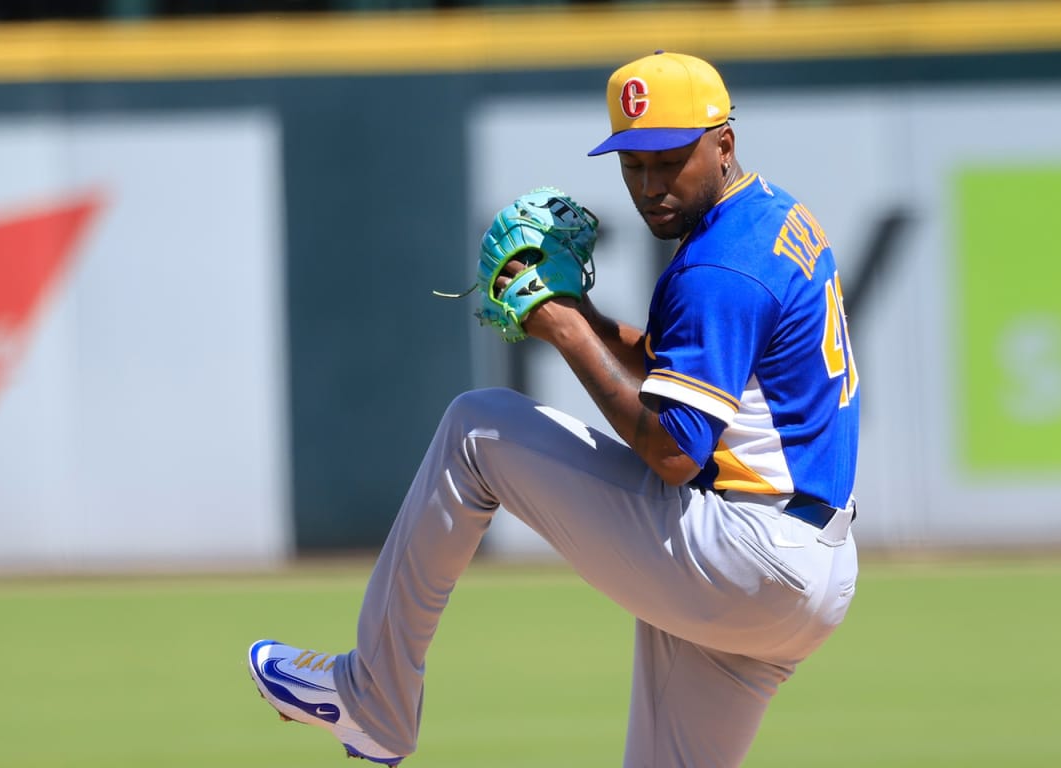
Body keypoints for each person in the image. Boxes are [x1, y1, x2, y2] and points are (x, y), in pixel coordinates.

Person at [247, 50, 861, 767]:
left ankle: (374, 697)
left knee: (477, 431)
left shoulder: (717, 268)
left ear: (723, 143)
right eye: (634, 164)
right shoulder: (771, 217)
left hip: (747, 553)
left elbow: (673, 452)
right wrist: (582, 312)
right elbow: (674, 376)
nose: (651, 185)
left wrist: (564, 329)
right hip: (801, 572)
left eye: (670, 160)